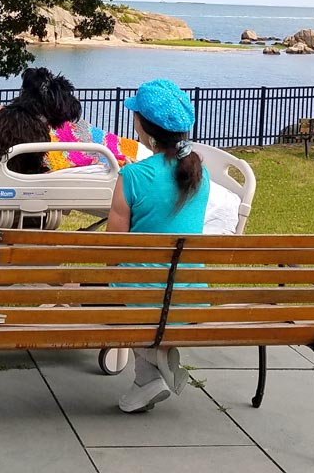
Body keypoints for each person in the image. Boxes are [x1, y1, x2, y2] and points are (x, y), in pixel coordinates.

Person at [106, 78, 210, 413]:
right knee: (144, 281)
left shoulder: (132, 177)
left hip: (145, 301)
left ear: (145, 127)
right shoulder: (200, 175)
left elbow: (111, 251)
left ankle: (155, 355)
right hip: (190, 296)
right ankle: (148, 376)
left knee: (109, 283)